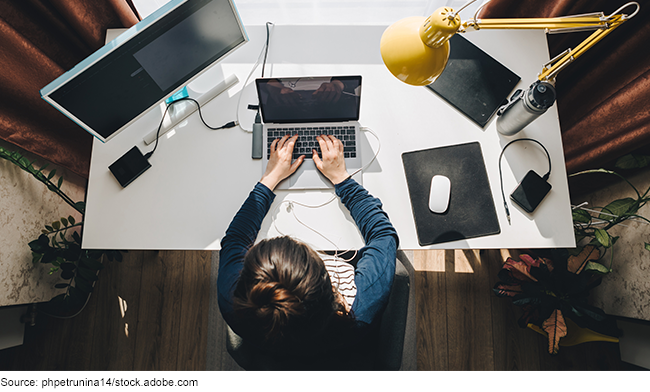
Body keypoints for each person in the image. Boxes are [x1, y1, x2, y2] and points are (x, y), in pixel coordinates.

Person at [217, 133, 398, 369]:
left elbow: (236, 239)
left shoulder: (232, 301)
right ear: (329, 282)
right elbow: (383, 234)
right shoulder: (359, 310)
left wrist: (270, 178)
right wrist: (342, 179)